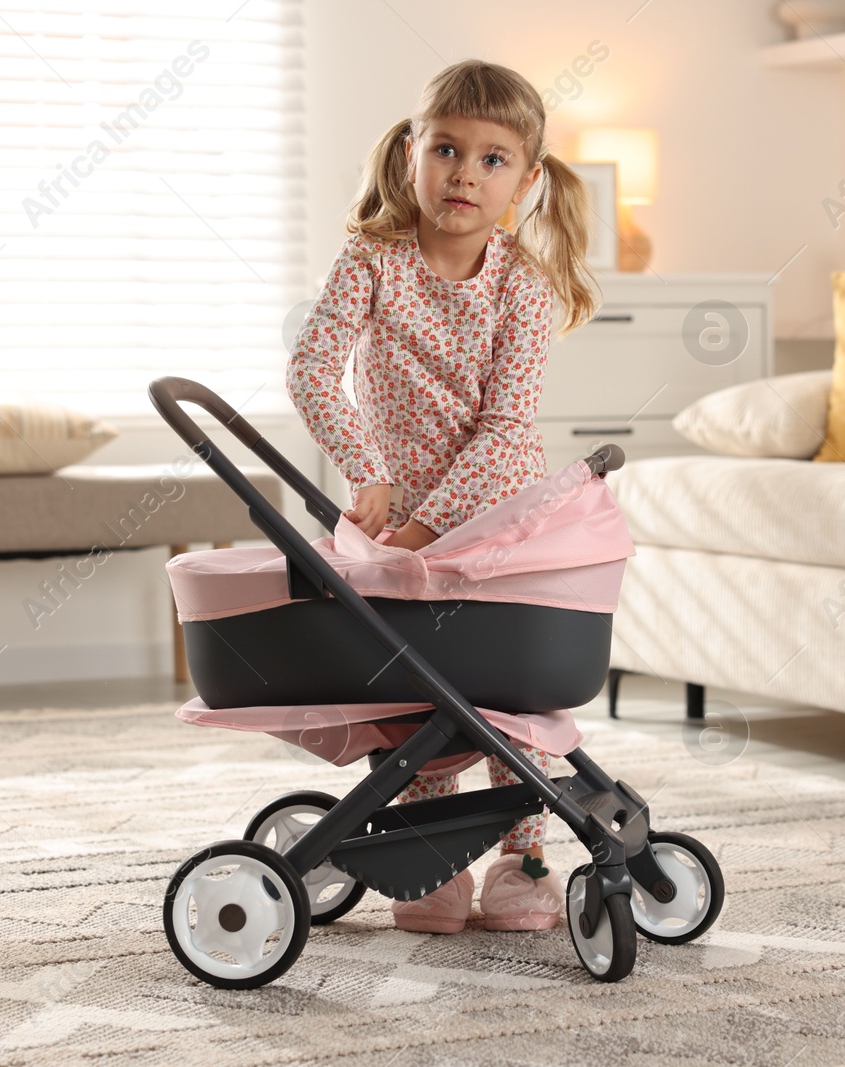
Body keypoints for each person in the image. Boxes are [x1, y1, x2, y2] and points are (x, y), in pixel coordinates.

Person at [287, 59, 600, 934]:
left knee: (502, 700)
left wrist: (423, 529)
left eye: (494, 159)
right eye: (448, 149)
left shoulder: (523, 289)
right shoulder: (374, 261)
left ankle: (525, 859)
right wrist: (367, 473)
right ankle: (431, 855)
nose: (466, 172)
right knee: (420, 695)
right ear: (412, 153)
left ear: (527, 181)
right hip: (399, 528)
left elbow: (507, 432)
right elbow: (313, 367)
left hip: (499, 526)